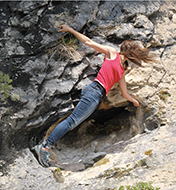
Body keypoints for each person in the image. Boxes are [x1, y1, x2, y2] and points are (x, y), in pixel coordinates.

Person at [34, 24, 156, 167]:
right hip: (94, 91)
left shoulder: (122, 70)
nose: (136, 56)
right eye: (135, 52)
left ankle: (42, 144)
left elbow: (124, 93)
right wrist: (72, 30)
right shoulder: (112, 53)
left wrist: (134, 101)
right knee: (72, 121)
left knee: (73, 122)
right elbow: (89, 42)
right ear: (130, 52)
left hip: (97, 96)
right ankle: (45, 147)